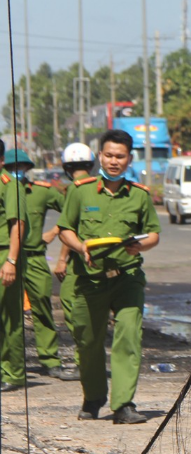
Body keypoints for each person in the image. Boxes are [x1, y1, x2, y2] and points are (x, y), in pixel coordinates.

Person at [58, 130, 160, 423]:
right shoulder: (81, 191)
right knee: (88, 342)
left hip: (127, 277)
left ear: (129, 159)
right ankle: (93, 398)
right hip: (89, 279)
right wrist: (80, 247)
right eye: (109, 155)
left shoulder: (139, 195)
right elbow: (66, 229)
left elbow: (153, 233)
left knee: (129, 335)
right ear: (100, 156)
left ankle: (124, 404)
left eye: (120, 156)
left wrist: (139, 246)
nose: (114, 161)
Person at [3, 149, 79, 380]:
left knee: (42, 308)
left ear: (27, 168)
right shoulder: (4, 189)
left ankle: (50, 360)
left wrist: (55, 231)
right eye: (12, 167)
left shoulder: (41, 192)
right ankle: (11, 364)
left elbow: (72, 210)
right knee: (8, 313)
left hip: (34, 257)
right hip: (8, 255)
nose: (17, 171)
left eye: (21, 167)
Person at [51, 142, 97, 362]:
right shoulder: (98, 185)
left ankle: (85, 360)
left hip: (80, 260)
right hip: (99, 257)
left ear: (66, 168)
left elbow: (69, 230)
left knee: (71, 302)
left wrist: (61, 260)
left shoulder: (74, 190)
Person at [0, 138, 27, 393]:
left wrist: (11, 260)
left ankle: (14, 373)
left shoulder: (10, 184)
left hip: (4, 255)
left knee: (10, 317)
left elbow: (17, 224)